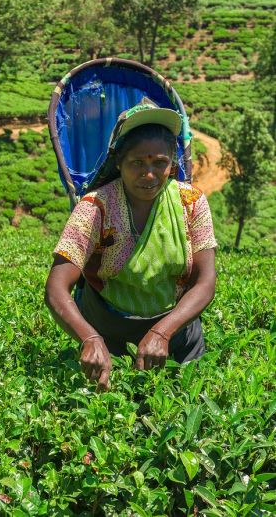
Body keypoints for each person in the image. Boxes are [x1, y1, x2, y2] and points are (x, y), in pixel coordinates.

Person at [45, 100, 217, 391]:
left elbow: (206, 282)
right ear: (119, 163)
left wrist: (162, 332)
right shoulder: (96, 207)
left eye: (159, 162)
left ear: (172, 164)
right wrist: (89, 339)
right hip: (107, 336)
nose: (148, 174)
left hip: (177, 338)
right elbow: (56, 288)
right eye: (137, 163)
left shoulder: (191, 203)